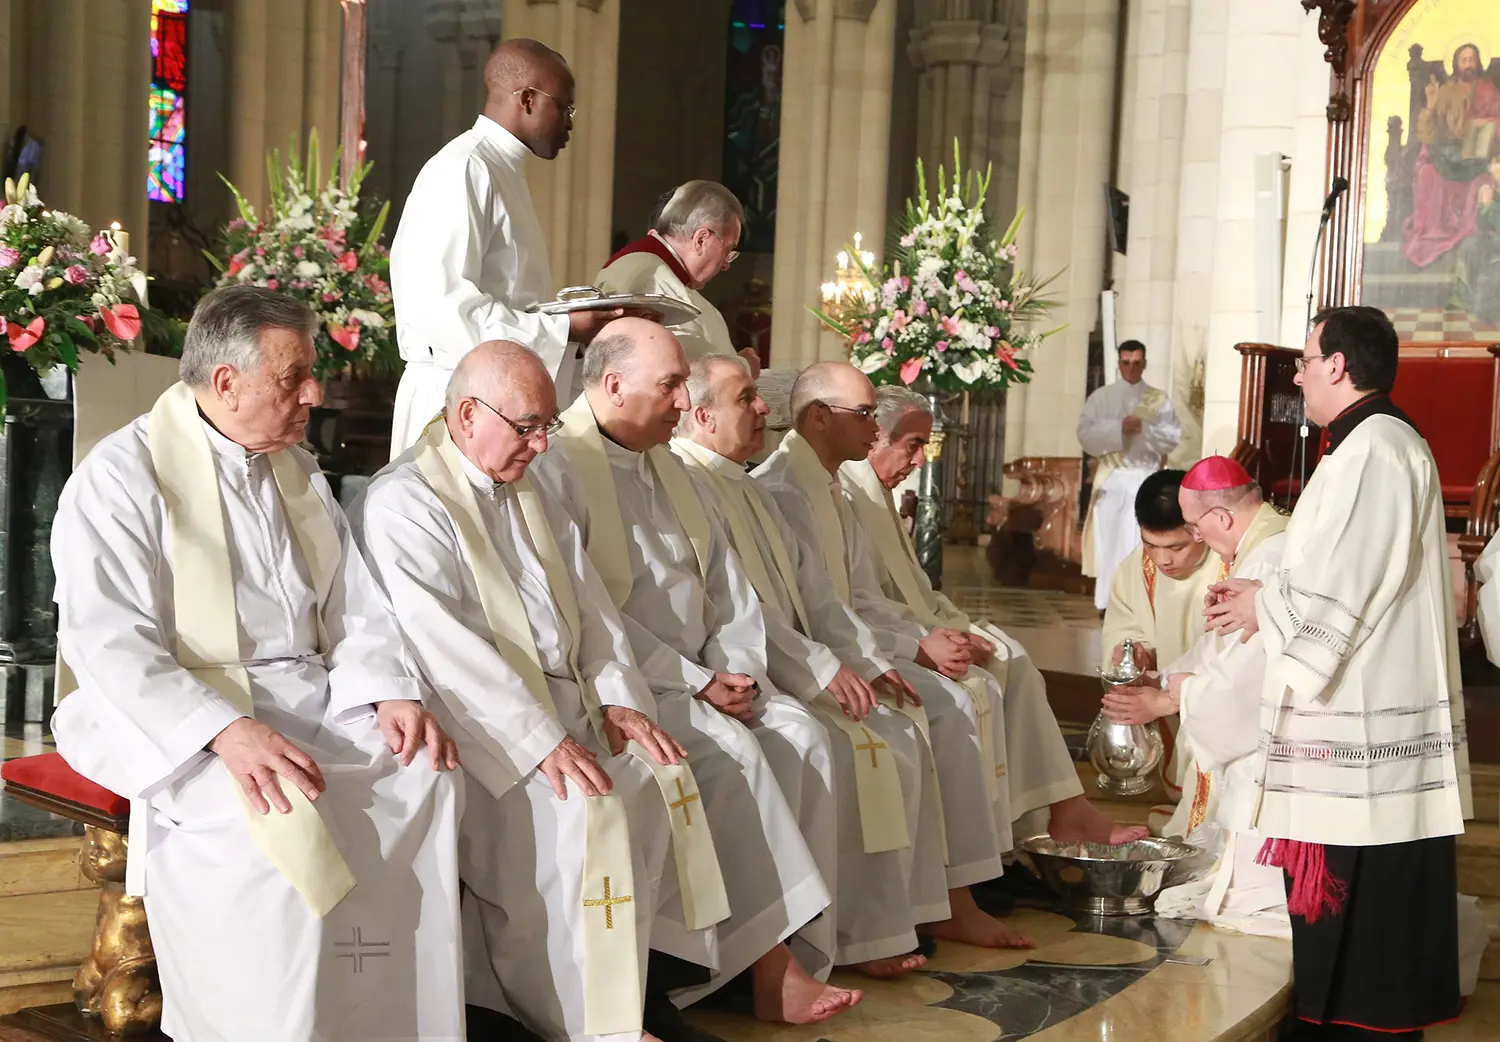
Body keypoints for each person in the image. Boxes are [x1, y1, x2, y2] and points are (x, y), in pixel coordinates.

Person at [47, 286, 464, 1042]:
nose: (315, 392)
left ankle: (377, 1024)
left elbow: (357, 606)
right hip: (168, 705)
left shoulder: (294, 472)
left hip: (298, 689)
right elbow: (109, 641)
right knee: (270, 811)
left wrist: (389, 691)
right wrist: (224, 732)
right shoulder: (121, 478)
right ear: (226, 382)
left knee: (421, 767)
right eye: (292, 377)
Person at [353, 341, 729, 1042]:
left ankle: (639, 990)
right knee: (582, 811)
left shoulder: (532, 488)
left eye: (547, 425)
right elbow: (446, 649)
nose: (541, 442)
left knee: (660, 772)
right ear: (468, 415)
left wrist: (619, 697)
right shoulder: (404, 501)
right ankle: (582, 1021)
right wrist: (542, 740)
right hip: (482, 725)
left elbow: (593, 612)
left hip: (568, 700)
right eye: (527, 425)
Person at [530, 319, 859, 1025]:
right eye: (671, 385)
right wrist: (692, 679)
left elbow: (730, 588)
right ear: (613, 386)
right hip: (627, 683)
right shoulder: (558, 466)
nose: (684, 403)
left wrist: (735, 671)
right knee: (731, 754)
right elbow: (591, 614)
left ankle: (775, 951)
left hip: (708, 677)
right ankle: (756, 967)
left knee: (799, 732)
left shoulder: (673, 466)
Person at [1207, 306, 1472, 1037]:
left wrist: (1268, 600)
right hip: (1359, 716)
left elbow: (1345, 585)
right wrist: (1269, 598)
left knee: (1367, 916)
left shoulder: (1376, 451)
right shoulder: (1365, 445)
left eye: (1304, 358)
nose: (1295, 372)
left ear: (1338, 365)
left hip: (1361, 733)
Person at [758, 361, 1054, 951]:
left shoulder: (829, 482)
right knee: (943, 705)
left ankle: (967, 881)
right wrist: (904, 650)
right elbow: (810, 610)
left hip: (855, 647)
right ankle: (940, 898)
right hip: (806, 660)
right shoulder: (783, 488)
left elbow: (860, 595)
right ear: (819, 417)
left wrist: (913, 641)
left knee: (973, 688)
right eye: (864, 414)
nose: (874, 428)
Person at [671, 355, 946, 979]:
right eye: (748, 399)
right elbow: (743, 608)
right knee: (815, 740)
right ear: (703, 415)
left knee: (894, 731)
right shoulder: (695, 483)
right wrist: (820, 672)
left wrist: (866, 662)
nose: (766, 408)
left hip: (777, 666)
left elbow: (815, 592)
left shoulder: (742, 484)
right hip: (735, 672)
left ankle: (869, 926)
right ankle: (799, 946)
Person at [844, 384, 1150, 850]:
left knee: (1016, 660)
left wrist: (958, 628)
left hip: (907, 630)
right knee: (980, 682)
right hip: (878, 645)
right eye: (913, 446)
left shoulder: (874, 492)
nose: (921, 461)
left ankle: (1049, 818)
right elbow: (856, 601)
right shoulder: (848, 496)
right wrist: (930, 637)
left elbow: (916, 588)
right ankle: (992, 846)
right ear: (875, 437)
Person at [388, 38, 624, 457]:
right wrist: (566, 328)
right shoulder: (464, 168)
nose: (570, 123)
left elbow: (507, 299)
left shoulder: (501, 170)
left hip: (495, 398)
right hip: (454, 402)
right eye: (565, 107)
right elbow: (445, 311)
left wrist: (571, 325)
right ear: (528, 99)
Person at [1101, 456, 1290, 939]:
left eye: (1191, 533)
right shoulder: (1251, 550)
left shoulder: (1263, 555)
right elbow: (1218, 651)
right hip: (1226, 706)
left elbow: (1246, 673)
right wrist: (1160, 676)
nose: (1165, 559)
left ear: (1218, 520)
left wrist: (1175, 697)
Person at [1100, 468, 1222, 810]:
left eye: (1177, 546)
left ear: (1199, 529)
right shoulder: (1137, 570)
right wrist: (1136, 658)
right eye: (1150, 545)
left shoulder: (1232, 562)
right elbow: (1123, 632)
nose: (1163, 559)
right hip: (1172, 696)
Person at [596, 181, 763, 378]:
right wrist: (744, 366)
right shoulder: (650, 275)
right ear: (701, 240)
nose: (726, 265)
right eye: (727, 251)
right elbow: (679, 365)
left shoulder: (655, 269)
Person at [1077, 340, 1181, 611]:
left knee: (1138, 542)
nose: (1131, 368)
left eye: (1137, 363)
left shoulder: (1158, 399)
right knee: (1109, 542)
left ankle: (1137, 603)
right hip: (1113, 478)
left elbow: (1171, 438)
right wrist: (1117, 428)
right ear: (1119, 363)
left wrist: (1144, 429)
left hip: (1144, 477)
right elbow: (1085, 434)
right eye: (1126, 363)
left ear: (1145, 364)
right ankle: (1106, 602)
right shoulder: (1101, 397)